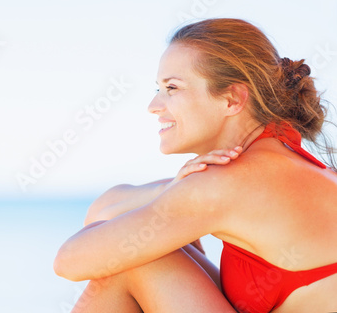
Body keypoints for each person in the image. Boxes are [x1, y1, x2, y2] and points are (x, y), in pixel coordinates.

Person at [53, 18, 337, 312]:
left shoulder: (229, 182)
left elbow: (68, 261)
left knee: (133, 263)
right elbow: (103, 212)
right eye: (158, 88)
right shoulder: (291, 161)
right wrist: (175, 187)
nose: (154, 105)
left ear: (231, 99)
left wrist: (183, 191)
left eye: (172, 88)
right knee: (145, 247)